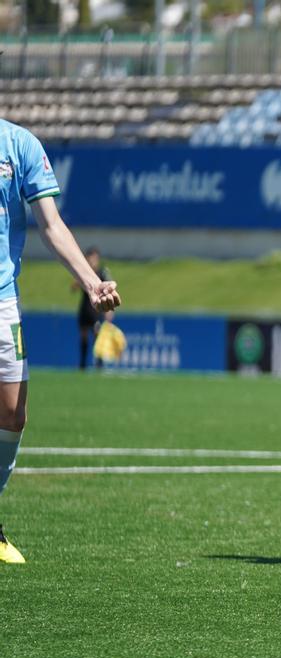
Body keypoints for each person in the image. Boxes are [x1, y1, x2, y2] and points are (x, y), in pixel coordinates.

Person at [0, 120, 121, 564]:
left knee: (13, 415)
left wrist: (91, 282)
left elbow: (51, 225)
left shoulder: (18, 144)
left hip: (2, 301)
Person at [73, 247, 111, 369]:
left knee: (97, 335)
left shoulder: (102, 273)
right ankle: (82, 364)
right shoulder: (84, 273)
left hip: (96, 309)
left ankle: (99, 363)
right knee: (83, 335)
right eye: (89, 258)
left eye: (94, 259)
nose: (91, 261)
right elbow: (73, 288)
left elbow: (109, 289)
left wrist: (108, 310)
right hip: (84, 307)